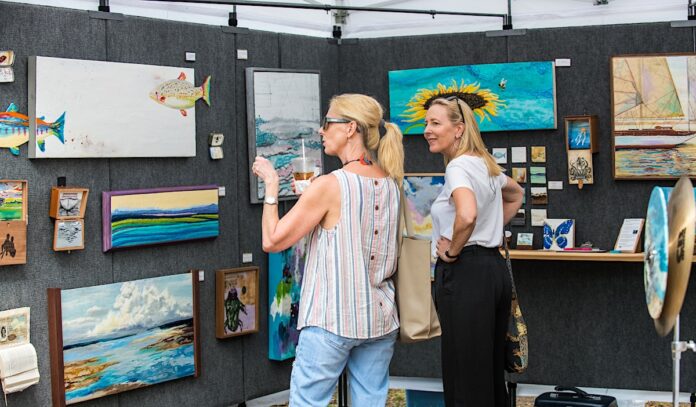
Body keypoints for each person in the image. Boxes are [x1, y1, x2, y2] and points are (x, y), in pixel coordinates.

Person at [252, 93, 405, 407]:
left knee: (308, 402)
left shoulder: (330, 185)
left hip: (331, 319)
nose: (321, 131)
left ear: (350, 128)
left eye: (327, 123)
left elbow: (273, 240)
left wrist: (271, 186)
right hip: (380, 319)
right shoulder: (392, 182)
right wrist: (311, 198)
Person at [424, 96, 524, 406]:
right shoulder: (485, 164)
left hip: (465, 273)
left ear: (459, 129)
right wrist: (487, 231)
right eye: (427, 122)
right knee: (489, 373)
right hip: (491, 271)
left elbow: (466, 215)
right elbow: (517, 193)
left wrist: (454, 250)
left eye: (435, 123)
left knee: (464, 375)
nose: (427, 129)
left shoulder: (458, 167)